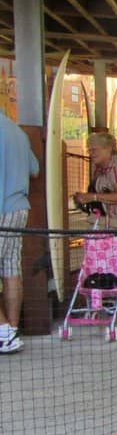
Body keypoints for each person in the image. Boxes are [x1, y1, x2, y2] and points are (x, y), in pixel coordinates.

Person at [0, 113, 40, 354]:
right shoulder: (18, 132)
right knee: (11, 270)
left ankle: (4, 329)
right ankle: (11, 331)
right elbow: (34, 170)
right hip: (19, 209)